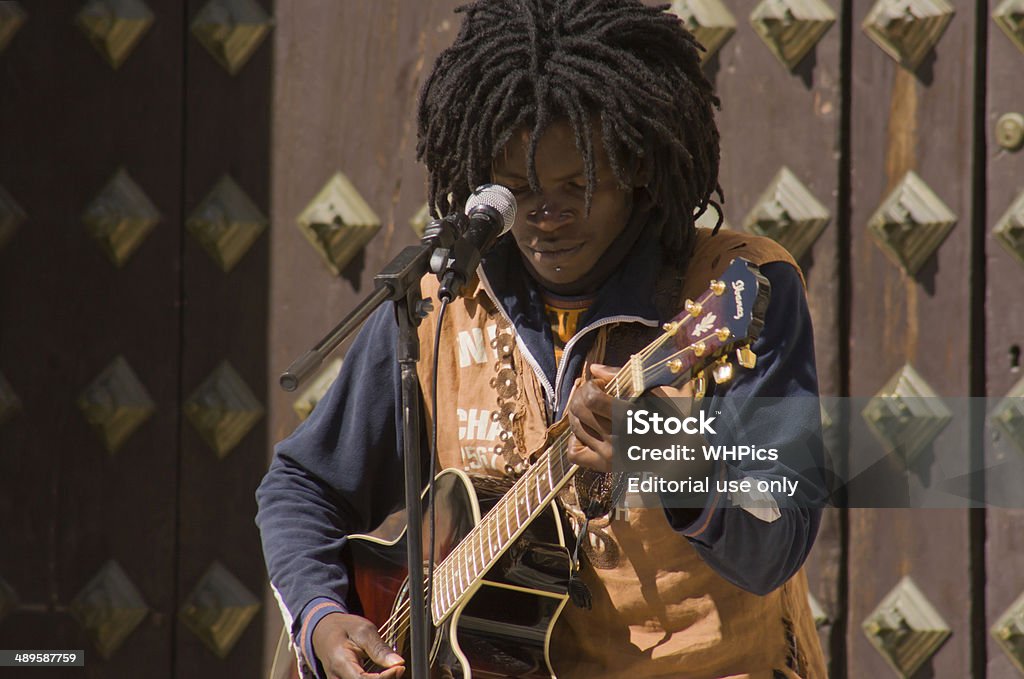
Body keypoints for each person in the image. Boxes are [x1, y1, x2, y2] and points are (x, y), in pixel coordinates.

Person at [256, 1, 829, 677]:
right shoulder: (442, 303)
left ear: (638, 165)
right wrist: (322, 617)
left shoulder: (736, 290)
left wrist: (673, 462)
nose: (546, 217)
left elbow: (779, 539)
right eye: (521, 190)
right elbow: (303, 484)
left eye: (576, 185)